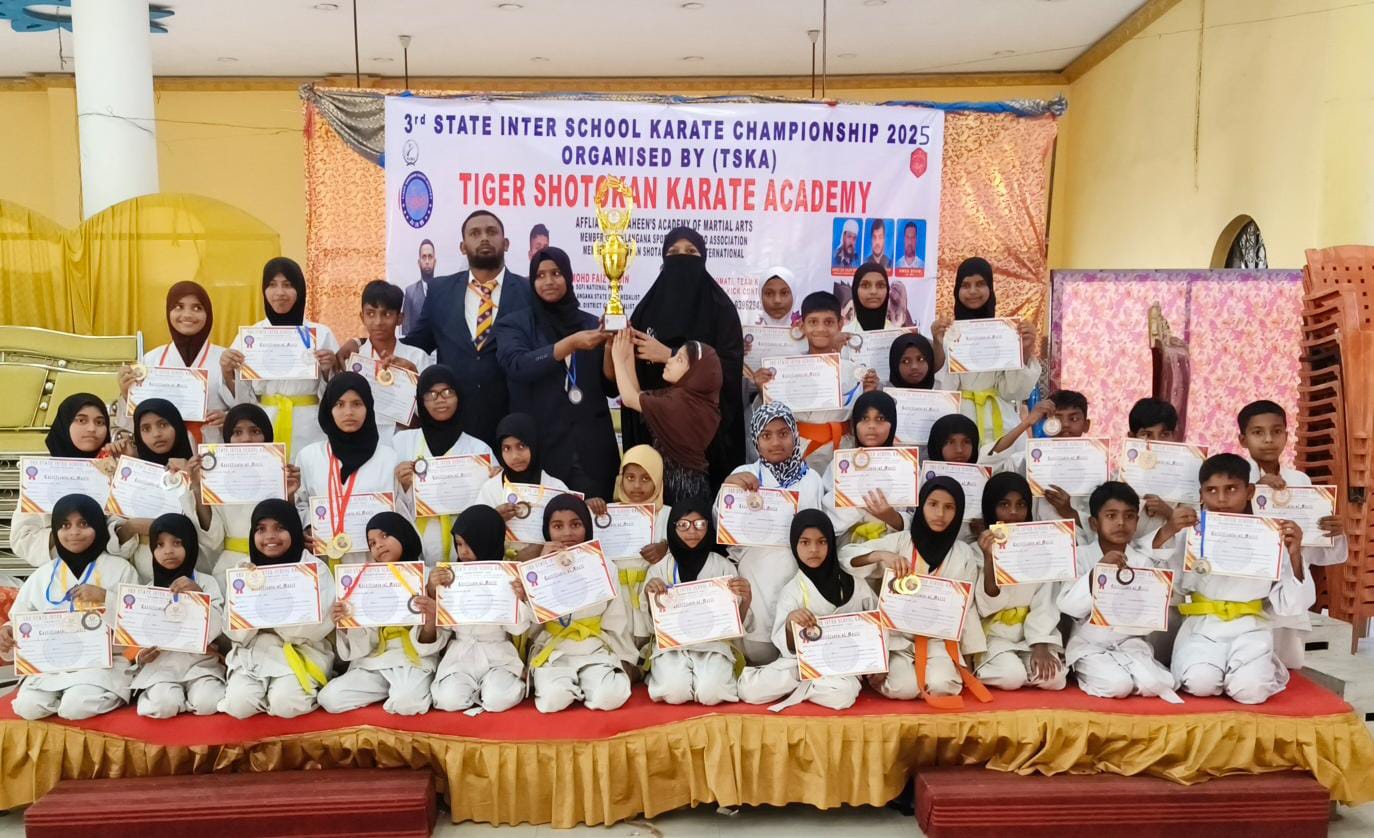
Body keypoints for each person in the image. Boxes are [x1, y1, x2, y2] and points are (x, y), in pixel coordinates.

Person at [1154, 454, 1312, 703]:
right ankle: (1216, 670)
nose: (1221, 499)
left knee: (1251, 691)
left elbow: (1291, 603)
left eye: (1231, 489)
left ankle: (1243, 673)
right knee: (1200, 683)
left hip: (1251, 628)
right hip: (1203, 626)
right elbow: (1168, 587)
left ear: (1249, 492)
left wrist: (1294, 553)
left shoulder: (1270, 535)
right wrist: (1167, 532)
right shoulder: (1191, 534)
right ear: (1201, 495)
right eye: (1212, 490)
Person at [840, 477, 991, 706]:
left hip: (938, 640)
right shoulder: (901, 542)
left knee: (943, 686)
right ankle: (909, 677)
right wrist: (880, 555)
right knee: (903, 687)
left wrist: (969, 655)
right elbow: (845, 556)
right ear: (921, 506)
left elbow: (966, 606)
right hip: (897, 640)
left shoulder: (963, 553)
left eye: (949, 507)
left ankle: (928, 677)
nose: (940, 514)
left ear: (958, 511)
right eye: (933, 504)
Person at [619, 227, 745, 491]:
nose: (682, 257)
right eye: (673, 252)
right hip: (651, 433)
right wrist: (615, 347)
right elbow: (624, 382)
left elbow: (729, 371)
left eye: (691, 252)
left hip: (705, 444)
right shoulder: (647, 308)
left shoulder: (721, 310)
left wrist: (668, 354)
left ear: (703, 258)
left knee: (696, 511)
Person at [401, 210, 534, 448]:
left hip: (513, 429)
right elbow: (416, 343)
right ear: (463, 247)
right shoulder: (440, 291)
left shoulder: (529, 292)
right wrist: (361, 344)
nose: (484, 238)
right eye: (475, 233)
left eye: (491, 232)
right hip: (455, 426)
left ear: (506, 243)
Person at [495, 246, 618, 498]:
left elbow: (610, 387)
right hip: (542, 452)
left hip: (593, 453)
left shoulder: (590, 324)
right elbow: (518, 365)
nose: (549, 281)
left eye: (556, 273)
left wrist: (609, 347)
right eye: (540, 276)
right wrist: (570, 344)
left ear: (568, 277)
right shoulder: (514, 325)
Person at [2, 495, 140, 720]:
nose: (74, 532)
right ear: (55, 530)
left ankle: (77, 697)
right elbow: (20, 617)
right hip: (52, 664)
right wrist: (8, 631)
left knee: (75, 706)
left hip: (102, 664)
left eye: (83, 524)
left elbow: (137, 623)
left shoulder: (120, 569)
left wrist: (106, 598)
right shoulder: (43, 574)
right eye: (65, 525)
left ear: (98, 526)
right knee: (28, 707)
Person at [1235, 400, 1346, 668]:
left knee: (1287, 667)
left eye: (1276, 431)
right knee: (1247, 665)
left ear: (1286, 435)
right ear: (1243, 439)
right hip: (1246, 592)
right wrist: (1252, 492)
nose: (1268, 440)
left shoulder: (1300, 482)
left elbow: (1315, 548)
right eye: (1258, 432)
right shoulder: (1234, 482)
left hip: (1290, 586)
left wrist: (1332, 532)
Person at [718, 403, 827, 665]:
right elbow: (722, 527)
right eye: (766, 435)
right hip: (757, 572)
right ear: (756, 440)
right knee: (760, 651)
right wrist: (728, 489)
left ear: (795, 435)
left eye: (783, 433)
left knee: (798, 643)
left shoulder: (811, 479)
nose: (776, 442)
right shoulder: (743, 475)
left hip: (798, 573)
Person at [737, 510, 877, 711]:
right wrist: (790, 624)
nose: (813, 549)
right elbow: (786, 648)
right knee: (750, 690)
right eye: (805, 542)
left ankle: (804, 686)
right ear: (795, 545)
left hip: (841, 663)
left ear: (831, 543)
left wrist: (874, 659)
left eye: (822, 542)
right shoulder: (792, 590)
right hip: (800, 664)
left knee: (843, 695)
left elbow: (876, 624)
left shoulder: (855, 584)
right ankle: (812, 683)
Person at [1056, 482, 1181, 702]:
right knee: (1118, 685)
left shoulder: (1142, 561)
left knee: (1157, 684)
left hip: (1130, 644)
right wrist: (1097, 573)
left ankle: (1127, 670)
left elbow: (1150, 615)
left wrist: (1157, 600)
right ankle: (1089, 671)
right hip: (1089, 644)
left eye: (1129, 516)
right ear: (1094, 523)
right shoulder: (1080, 556)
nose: (1121, 522)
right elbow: (1069, 607)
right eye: (1111, 516)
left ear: (1137, 522)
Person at [318, 512, 447, 716]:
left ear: (403, 534)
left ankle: (400, 692)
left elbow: (432, 642)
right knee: (330, 698)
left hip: (413, 660)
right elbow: (362, 643)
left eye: (385, 536)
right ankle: (389, 690)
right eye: (372, 543)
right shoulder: (364, 581)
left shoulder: (429, 577)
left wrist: (431, 619)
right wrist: (346, 623)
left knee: (407, 701)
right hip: (374, 659)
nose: (378, 545)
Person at [219, 498, 337, 718]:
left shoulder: (313, 569)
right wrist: (251, 600)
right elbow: (232, 630)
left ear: (294, 529)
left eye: (280, 528)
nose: (270, 536)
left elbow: (320, 625)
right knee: (239, 704)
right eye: (261, 529)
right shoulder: (243, 571)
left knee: (286, 703)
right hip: (254, 651)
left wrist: (271, 617)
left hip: (301, 649)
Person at [220, 257, 342, 460]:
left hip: (309, 423)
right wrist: (227, 370)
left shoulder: (320, 334)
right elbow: (240, 400)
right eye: (272, 285)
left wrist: (328, 370)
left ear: (300, 290)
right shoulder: (251, 336)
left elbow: (339, 393)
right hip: (263, 421)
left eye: (287, 285)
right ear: (264, 290)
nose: (279, 293)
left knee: (306, 470)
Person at [527, 495, 636, 713]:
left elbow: (616, 619)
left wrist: (623, 658)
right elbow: (531, 621)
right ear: (547, 530)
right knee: (553, 699)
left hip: (594, 646)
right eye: (558, 526)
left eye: (575, 524)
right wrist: (541, 566)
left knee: (609, 697)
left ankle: (589, 683)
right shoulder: (536, 569)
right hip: (554, 650)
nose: (567, 533)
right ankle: (569, 685)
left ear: (587, 527)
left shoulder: (605, 566)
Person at [752, 291, 878, 474]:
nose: (820, 329)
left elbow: (862, 417)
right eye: (813, 322)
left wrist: (869, 394)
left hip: (841, 449)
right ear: (802, 326)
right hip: (798, 448)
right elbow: (773, 416)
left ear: (840, 324)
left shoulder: (854, 371)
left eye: (828, 322)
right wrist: (763, 389)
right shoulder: (786, 369)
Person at [642, 499, 750, 705]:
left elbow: (734, 624)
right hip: (671, 646)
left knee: (712, 693)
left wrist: (746, 599)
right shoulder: (660, 568)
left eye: (700, 524)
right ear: (672, 527)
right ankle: (666, 674)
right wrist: (650, 595)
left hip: (713, 645)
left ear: (709, 526)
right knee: (674, 692)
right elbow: (650, 623)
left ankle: (703, 677)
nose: (692, 531)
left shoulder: (723, 567)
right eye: (683, 525)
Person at [970, 473, 1067, 692]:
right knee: (1011, 677)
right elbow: (986, 606)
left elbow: (1046, 602)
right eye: (1004, 505)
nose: (1013, 512)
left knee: (1054, 678)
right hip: (994, 635)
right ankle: (1008, 668)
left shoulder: (1041, 549)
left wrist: (1040, 644)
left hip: (1031, 634)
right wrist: (989, 559)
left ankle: (1026, 665)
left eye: (1021, 505)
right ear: (991, 508)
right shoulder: (976, 551)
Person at [430, 504, 531, 713]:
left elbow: (517, 629)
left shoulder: (506, 575)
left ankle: (495, 688)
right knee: (449, 700)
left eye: (471, 543)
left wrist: (519, 599)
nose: (463, 551)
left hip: (498, 654)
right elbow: (445, 628)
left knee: (497, 699)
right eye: (459, 544)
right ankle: (472, 692)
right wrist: (434, 589)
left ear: (487, 540)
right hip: (460, 655)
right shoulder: (450, 576)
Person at [393, 365, 496, 566]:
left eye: (448, 392)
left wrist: (495, 483)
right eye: (431, 394)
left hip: (467, 553)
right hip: (415, 550)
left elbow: (490, 504)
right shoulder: (402, 442)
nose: (440, 399)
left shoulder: (479, 449)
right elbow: (388, 502)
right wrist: (402, 485)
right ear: (421, 401)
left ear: (459, 396)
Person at [8, 394, 126, 568]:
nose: (92, 428)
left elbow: (129, 533)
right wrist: (70, 534)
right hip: (57, 574)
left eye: (100, 422)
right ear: (65, 423)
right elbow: (22, 537)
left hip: (110, 573)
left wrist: (126, 465)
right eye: (81, 420)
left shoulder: (114, 470)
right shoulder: (42, 476)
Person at [294, 373, 400, 564]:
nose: (349, 412)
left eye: (357, 404)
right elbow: (300, 503)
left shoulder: (389, 458)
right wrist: (308, 526)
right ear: (328, 409)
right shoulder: (309, 456)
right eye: (339, 404)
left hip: (376, 564)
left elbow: (400, 509)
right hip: (325, 561)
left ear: (368, 407)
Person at [129, 513, 228, 718]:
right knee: (164, 704)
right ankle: (176, 699)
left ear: (190, 545)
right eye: (160, 545)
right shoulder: (147, 592)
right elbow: (136, 636)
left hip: (200, 664)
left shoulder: (206, 583)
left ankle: (188, 700)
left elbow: (217, 629)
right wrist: (141, 656)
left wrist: (198, 597)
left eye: (177, 543)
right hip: (161, 667)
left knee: (208, 702)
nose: (168, 551)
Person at [933, 257, 1039, 445]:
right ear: (957, 291)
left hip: (1002, 421)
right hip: (960, 422)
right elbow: (943, 388)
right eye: (966, 285)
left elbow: (1013, 391)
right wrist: (938, 344)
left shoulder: (1006, 333)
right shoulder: (948, 333)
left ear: (990, 288)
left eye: (980, 284)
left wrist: (1025, 349)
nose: (973, 291)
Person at [116, 399, 223, 582]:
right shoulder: (132, 473)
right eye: (146, 429)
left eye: (163, 425)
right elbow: (116, 539)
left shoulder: (197, 468)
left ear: (177, 426)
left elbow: (212, 536)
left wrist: (194, 482)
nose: (156, 434)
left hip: (192, 569)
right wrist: (132, 526)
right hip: (142, 570)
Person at [610, 332, 722, 506]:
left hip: (679, 488)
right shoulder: (693, 400)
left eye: (679, 359)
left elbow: (630, 399)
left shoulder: (679, 404)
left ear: (695, 373)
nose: (669, 360)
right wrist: (628, 355)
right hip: (689, 483)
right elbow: (638, 395)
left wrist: (617, 359)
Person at [116, 281, 227, 444]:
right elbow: (137, 423)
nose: (187, 314)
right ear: (168, 312)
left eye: (197, 308)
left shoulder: (225, 359)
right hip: (163, 448)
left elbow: (246, 408)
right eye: (178, 307)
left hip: (212, 446)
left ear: (208, 314)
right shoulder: (151, 360)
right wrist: (127, 396)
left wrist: (228, 417)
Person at [209, 404, 302, 580]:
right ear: (227, 438)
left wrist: (288, 494)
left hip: (277, 559)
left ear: (267, 435)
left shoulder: (282, 473)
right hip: (231, 564)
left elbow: (291, 527)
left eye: (255, 431)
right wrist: (198, 486)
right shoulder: (215, 476)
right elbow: (211, 534)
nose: (246, 439)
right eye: (237, 432)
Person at [348, 280, 432, 444]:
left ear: (400, 318)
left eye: (387, 314)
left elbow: (432, 408)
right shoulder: (354, 359)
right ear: (362, 317)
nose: (378, 322)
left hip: (408, 441)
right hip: (363, 442)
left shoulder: (417, 357)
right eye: (371, 314)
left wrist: (415, 378)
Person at [474, 413, 572, 547]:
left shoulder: (556, 488)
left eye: (521, 446)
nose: (514, 456)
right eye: (506, 448)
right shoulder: (491, 489)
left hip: (549, 559)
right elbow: (474, 536)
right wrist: (494, 519)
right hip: (503, 560)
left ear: (534, 445)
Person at [826, 391, 907, 547]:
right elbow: (829, 521)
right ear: (854, 424)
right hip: (848, 548)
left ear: (893, 424)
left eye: (880, 419)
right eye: (864, 418)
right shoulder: (840, 463)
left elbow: (918, 518)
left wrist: (891, 517)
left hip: (895, 548)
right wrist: (858, 501)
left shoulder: (906, 464)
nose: (871, 426)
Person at [609, 444, 672, 646]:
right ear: (621, 478)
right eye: (630, 477)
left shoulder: (667, 514)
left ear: (658, 480)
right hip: (619, 596)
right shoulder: (606, 515)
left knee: (650, 643)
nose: (636, 485)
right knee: (620, 641)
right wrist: (591, 510)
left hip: (652, 590)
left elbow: (685, 545)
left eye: (646, 478)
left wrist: (665, 546)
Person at [402, 238, 437, 336]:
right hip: (416, 344)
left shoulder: (443, 291)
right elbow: (406, 328)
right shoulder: (410, 292)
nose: (427, 261)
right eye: (424, 257)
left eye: (430, 257)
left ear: (434, 261)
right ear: (419, 262)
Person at [847, 262, 895, 332]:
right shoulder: (843, 335)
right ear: (855, 290)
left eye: (880, 285)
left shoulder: (900, 335)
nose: (873, 291)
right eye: (865, 285)